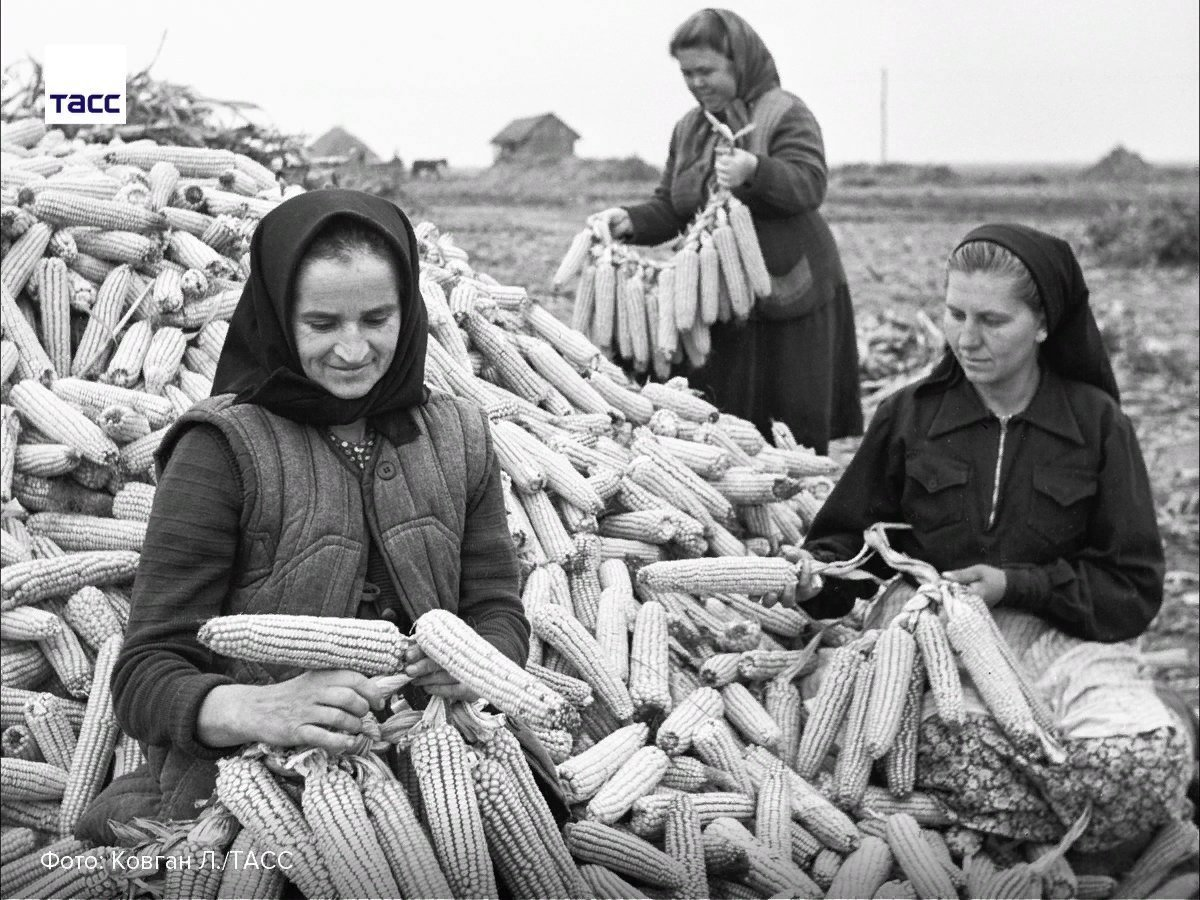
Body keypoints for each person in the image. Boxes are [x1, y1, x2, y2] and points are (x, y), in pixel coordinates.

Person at [78, 189, 558, 842]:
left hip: (440, 762)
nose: (354, 350)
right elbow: (145, 676)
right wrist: (261, 708)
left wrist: (479, 660)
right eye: (323, 324)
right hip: (260, 785)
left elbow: (498, 607)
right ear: (278, 314)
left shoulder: (460, 433)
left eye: (377, 319)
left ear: (410, 313)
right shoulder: (220, 449)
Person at [801, 223, 1194, 853]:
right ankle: (1084, 828)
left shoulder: (1097, 426)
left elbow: (1133, 589)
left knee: (1141, 767)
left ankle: (1007, 822)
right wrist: (812, 579)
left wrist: (1017, 584)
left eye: (992, 319)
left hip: (1057, 643)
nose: (965, 338)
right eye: (954, 313)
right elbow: (849, 547)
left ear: (1043, 325)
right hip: (935, 656)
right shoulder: (908, 415)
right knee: (929, 751)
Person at [593, 7, 862, 455]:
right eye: (687, 73)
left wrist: (755, 170)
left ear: (740, 62)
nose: (696, 82)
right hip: (719, 299)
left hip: (788, 295)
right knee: (722, 425)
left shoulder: (785, 113)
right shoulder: (690, 128)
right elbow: (673, 205)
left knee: (786, 432)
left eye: (706, 71)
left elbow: (809, 184)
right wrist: (630, 220)